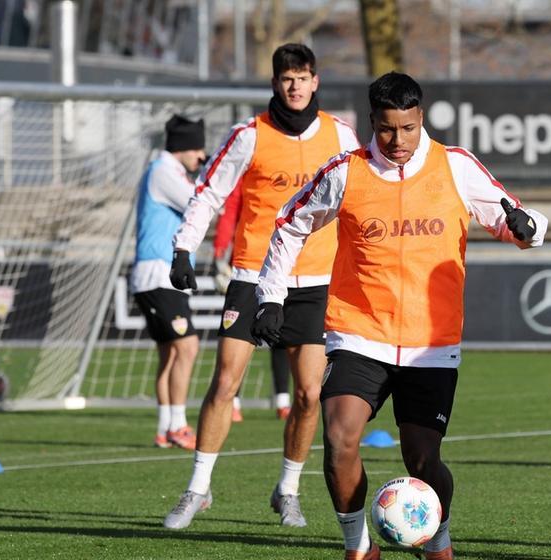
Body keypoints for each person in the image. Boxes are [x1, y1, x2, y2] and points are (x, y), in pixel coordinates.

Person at [253, 72, 547, 560]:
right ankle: (358, 547)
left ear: (421, 119)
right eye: (388, 129)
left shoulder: (456, 166)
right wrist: (270, 295)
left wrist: (527, 225)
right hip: (358, 334)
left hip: (431, 343)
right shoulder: (345, 171)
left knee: (423, 458)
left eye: (408, 128)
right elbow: (289, 224)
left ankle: (438, 540)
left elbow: (519, 223)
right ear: (373, 122)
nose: (398, 141)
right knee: (339, 437)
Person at [163, 43, 359, 530]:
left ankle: (288, 490)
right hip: (252, 275)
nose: (295, 85)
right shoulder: (247, 135)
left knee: (310, 394)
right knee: (225, 383)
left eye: (303, 76)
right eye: (286, 77)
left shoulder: (342, 136)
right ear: (276, 83)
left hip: (315, 281)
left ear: (316, 81)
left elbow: (364, 197)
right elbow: (209, 193)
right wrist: (183, 247)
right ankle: (197, 489)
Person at [132, 115, 205, 450]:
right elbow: (201, 203)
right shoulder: (164, 172)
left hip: (155, 275)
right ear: (183, 146)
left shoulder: (164, 170)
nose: (201, 156)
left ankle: (165, 428)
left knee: (169, 354)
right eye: (198, 148)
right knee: (187, 347)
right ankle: (179, 425)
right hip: (158, 273)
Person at [214, 186, 294, 421]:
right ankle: (234, 401)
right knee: (240, 339)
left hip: (286, 268)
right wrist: (220, 254)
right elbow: (230, 213)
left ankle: (282, 400)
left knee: (280, 336)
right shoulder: (247, 174)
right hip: (247, 269)